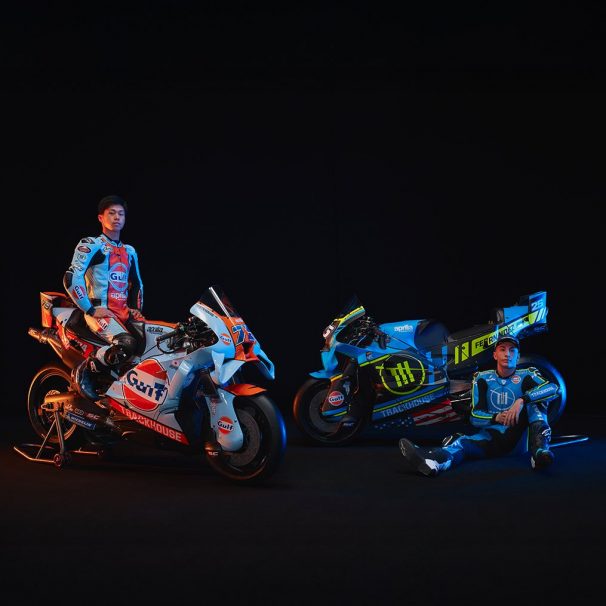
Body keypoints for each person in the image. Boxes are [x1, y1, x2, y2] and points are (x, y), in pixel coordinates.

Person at [398, 334, 559, 476]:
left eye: (512, 350)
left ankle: (540, 452)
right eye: (502, 349)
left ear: (518, 356)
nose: (507, 354)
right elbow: (475, 417)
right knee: (460, 443)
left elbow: (553, 388)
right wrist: (496, 417)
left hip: (520, 443)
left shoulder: (528, 374)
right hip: (491, 440)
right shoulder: (482, 378)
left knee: (537, 400)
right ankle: (435, 462)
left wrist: (522, 400)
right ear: (495, 355)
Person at [64, 195, 144, 401]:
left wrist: (136, 309)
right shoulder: (92, 245)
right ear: (101, 217)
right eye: (112, 213)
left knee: (151, 344)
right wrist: (90, 309)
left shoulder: (130, 251)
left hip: (123, 314)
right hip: (99, 312)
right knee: (126, 343)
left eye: (121, 214)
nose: (117, 217)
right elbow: (72, 277)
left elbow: (137, 283)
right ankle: (85, 370)